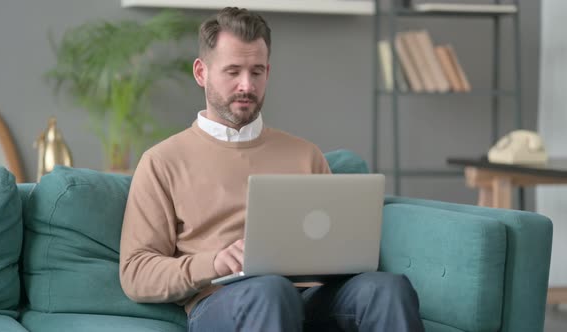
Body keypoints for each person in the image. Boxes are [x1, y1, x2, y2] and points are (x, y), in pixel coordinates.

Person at [119, 7, 424, 332]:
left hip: (310, 296)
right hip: (223, 301)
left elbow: (337, 244)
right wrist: (214, 262)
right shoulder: (163, 161)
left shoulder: (305, 154)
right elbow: (137, 273)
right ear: (201, 73)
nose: (247, 85)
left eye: (257, 71)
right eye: (233, 71)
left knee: (387, 288)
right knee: (271, 290)